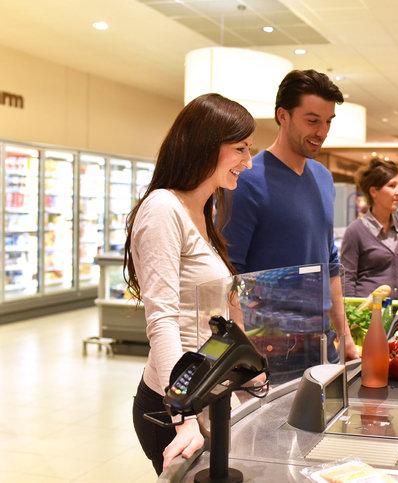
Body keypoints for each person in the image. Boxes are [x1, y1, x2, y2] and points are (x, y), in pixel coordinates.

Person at [123, 93, 256, 475]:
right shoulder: (163, 208)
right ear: (205, 146)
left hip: (205, 389)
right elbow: (162, 319)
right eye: (240, 149)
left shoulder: (202, 209)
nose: (248, 163)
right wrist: (181, 415)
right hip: (173, 402)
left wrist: (247, 370)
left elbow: (220, 311)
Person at [222, 69, 359, 362]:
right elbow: (229, 275)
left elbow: (330, 264)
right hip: (269, 350)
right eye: (312, 121)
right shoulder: (245, 181)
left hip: (322, 345)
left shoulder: (323, 177)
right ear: (283, 115)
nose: (322, 132)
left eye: (328, 122)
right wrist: (244, 358)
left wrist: (344, 336)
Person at [340, 158, 398, 315]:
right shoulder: (355, 231)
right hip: (369, 317)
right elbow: (347, 280)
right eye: (391, 186)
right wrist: (351, 317)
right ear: (373, 191)